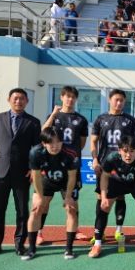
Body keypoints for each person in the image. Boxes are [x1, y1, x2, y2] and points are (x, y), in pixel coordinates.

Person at [0, 88, 41, 256]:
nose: (18, 101)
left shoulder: (33, 122)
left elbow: (37, 148)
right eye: (15, 98)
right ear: (9, 99)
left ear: (27, 101)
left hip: (22, 173)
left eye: (22, 98)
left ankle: (19, 244)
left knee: (22, 211)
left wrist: (33, 169)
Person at [37, 86, 89, 246]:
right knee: (45, 200)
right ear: (61, 97)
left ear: (76, 99)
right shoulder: (54, 116)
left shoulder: (81, 119)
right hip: (51, 166)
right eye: (67, 96)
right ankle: (39, 232)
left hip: (71, 167)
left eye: (73, 97)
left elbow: (81, 144)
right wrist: (53, 114)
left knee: (72, 202)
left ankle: (75, 230)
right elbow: (43, 134)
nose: (70, 99)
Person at [88, 136, 135, 258]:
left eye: (132, 151)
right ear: (119, 150)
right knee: (104, 207)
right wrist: (103, 197)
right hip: (116, 182)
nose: (128, 155)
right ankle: (97, 244)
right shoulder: (111, 158)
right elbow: (104, 177)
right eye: (125, 151)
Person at [22, 127, 80, 260]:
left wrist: (68, 197)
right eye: (51, 142)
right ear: (44, 143)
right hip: (46, 180)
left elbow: (72, 177)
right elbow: (36, 176)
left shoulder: (71, 152)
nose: (55, 146)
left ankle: (69, 249)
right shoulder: (35, 152)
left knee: (71, 209)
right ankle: (31, 249)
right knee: (36, 209)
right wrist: (40, 197)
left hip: (66, 182)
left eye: (58, 141)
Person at [90, 89, 135, 249]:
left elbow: (133, 143)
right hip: (104, 164)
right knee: (101, 197)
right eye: (116, 99)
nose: (119, 103)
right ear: (110, 100)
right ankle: (100, 232)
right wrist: (95, 159)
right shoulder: (101, 118)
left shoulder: (130, 120)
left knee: (120, 196)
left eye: (122, 100)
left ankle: (118, 230)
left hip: (122, 165)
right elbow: (93, 141)